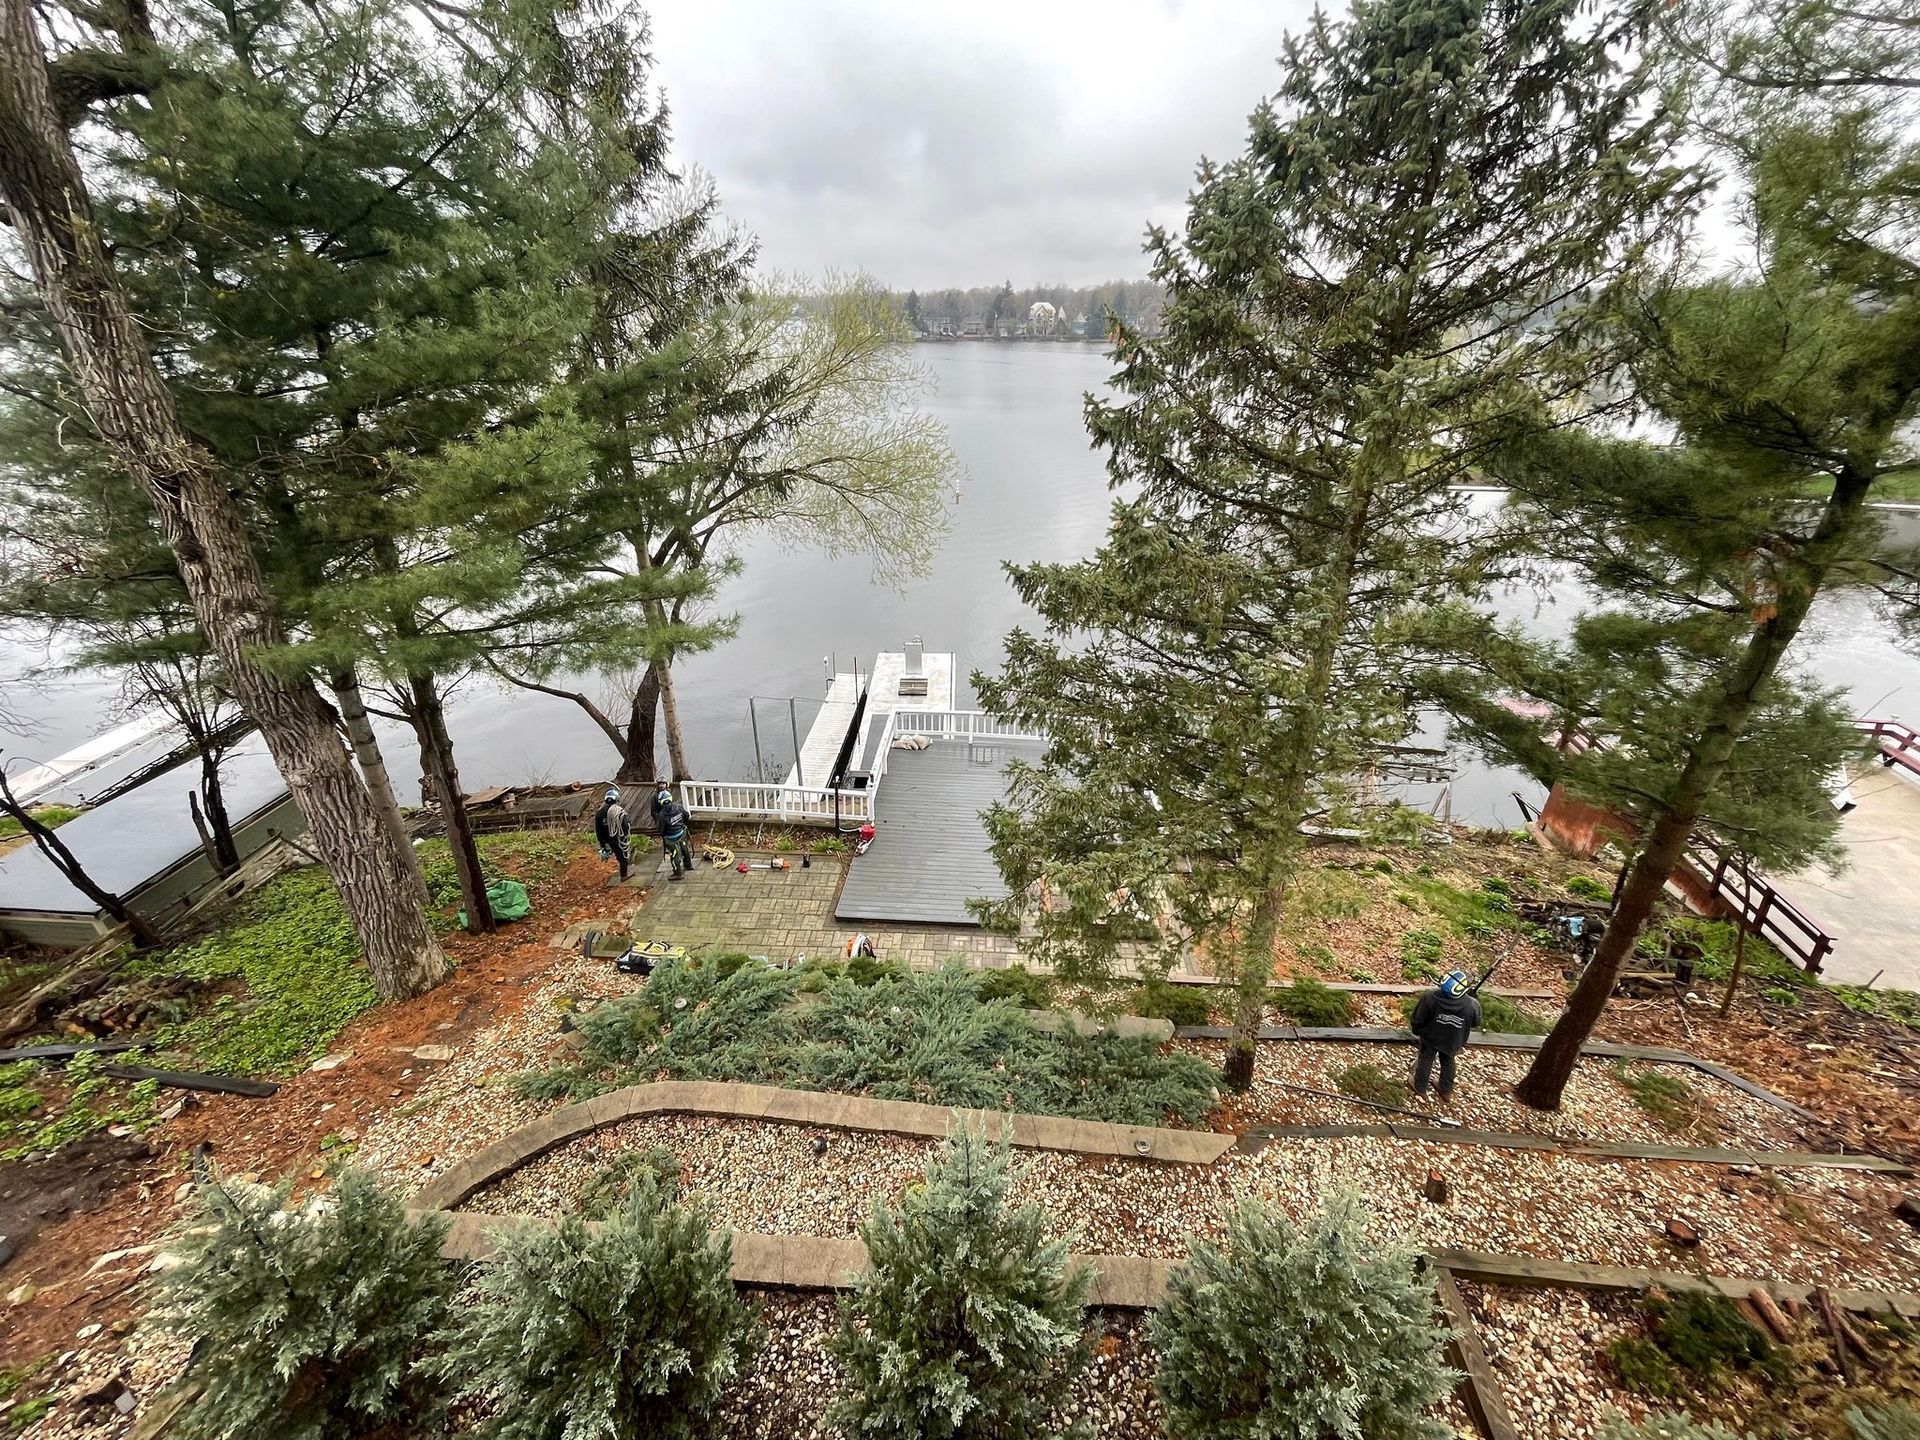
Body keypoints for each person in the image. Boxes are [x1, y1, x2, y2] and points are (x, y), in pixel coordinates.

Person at [1409, 968, 1481, 1102]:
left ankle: (1420, 1087)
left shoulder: (1430, 997)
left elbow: (1418, 1018)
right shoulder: (1472, 1004)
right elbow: (1476, 1023)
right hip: (1454, 1040)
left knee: (1426, 1059)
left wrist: (1417, 1030)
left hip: (1431, 1037)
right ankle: (1445, 1089)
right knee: (1448, 1061)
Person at [654, 781, 693, 880]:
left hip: (670, 838)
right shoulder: (678, 807)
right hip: (681, 833)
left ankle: (678, 873)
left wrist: (664, 835)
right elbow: (687, 816)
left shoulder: (662, 814)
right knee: (684, 848)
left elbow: (660, 828)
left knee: (674, 854)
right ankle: (688, 865)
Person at [592, 787, 632, 881]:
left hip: (608, 840)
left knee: (619, 856)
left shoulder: (599, 813)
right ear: (617, 799)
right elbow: (626, 825)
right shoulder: (619, 812)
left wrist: (602, 843)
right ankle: (624, 875)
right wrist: (625, 834)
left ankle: (623, 871)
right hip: (619, 838)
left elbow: (598, 830)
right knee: (623, 857)